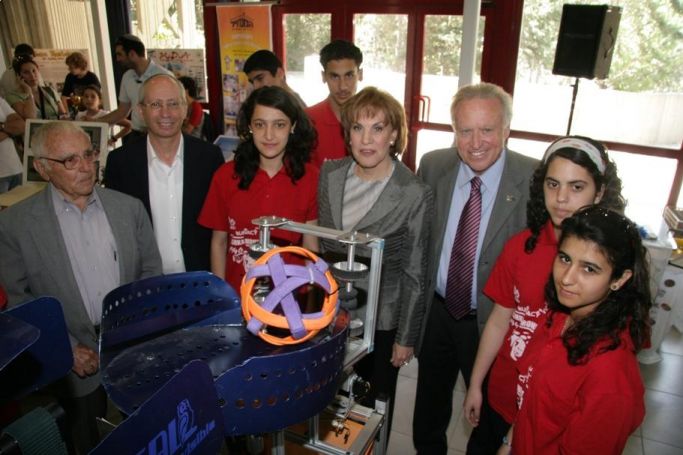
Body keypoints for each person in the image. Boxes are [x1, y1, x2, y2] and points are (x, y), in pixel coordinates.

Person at [0, 121, 162, 454]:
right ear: (43, 168)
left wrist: (137, 330)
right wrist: (66, 348)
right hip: (73, 362)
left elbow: (150, 272)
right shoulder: (14, 225)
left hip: (129, 348)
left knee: (144, 435)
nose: (86, 167)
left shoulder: (129, 208)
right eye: (70, 160)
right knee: (86, 441)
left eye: (89, 154)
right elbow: (17, 299)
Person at [462, 136, 625, 454]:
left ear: (600, 191)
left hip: (553, 416)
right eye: (553, 184)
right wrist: (476, 384)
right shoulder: (522, 246)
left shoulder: (611, 262)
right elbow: (499, 320)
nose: (561, 198)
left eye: (576, 187)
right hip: (503, 395)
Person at [412, 82, 537, 455]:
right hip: (437, 313)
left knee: (489, 417)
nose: (476, 141)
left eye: (487, 129)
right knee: (429, 407)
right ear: (454, 131)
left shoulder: (534, 180)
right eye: (465, 130)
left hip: (493, 322)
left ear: (506, 130)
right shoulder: (433, 166)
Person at [318, 86, 433, 441]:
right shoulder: (331, 174)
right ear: (347, 133)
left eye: (378, 128)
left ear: (394, 134)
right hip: (333, 313)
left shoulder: (414, 191)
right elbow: (324, 247)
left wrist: (406, 338)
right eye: (358, 128)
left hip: (381, 321)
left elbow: (416, 271)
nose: (367, 139)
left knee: (371, 410)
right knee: (328, 401)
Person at [501, 206, 650, 454]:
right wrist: (508, 444)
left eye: (589, 269)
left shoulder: (610, 374)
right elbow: (532, 400)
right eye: (564, 259)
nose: (567, 278)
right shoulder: (561, 315)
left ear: (620, 279)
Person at [198, 86, 318, 292]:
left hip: (291, 296)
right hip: (238, 295)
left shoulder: (311, 177)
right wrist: (221, 297)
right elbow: (218, 243)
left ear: (293, 126)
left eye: (279, 125)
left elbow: (311, 247)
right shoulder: (226, 175)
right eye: (260, 124)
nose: (269, 135)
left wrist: (310, 300)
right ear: (249, 126)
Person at [105, 74, 224, 273]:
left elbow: (219, 229)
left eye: (173, 104)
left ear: (185, 109)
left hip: (200, 280)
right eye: (155, 104)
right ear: (141, 111)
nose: (165, 113)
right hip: (145, 283)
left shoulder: (209, 158)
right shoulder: (121, 163)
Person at [91, 34, 171, 142]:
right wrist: (94, 123)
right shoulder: (127, 77)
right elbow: (122, 112)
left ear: (132, 54)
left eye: (120, 54)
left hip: (160, 136)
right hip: (136, 136)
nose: (118, 59)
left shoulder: (164, 76)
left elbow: (174, 111)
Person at [306, 40, 363, 167]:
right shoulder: (308, 119)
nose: (342, 86)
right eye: (334, 77)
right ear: (323, 77)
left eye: (349, 75)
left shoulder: (374, 119)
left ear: (360, 75)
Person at [6, 55, 68, 120]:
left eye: (34, 71)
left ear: (38, 70)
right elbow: (30, 118)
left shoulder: (49, 90)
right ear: (19, 76)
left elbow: (63, 115)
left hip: (56, 127)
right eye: (26, 72)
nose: (32, 75)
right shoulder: (13, 96)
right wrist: (29, 92)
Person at [0, 96, 25, 193]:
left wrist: (2, 126)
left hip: (16, 170)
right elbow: (16, 128)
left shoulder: (0, 101)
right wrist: (10, 130)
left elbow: (21, 126)